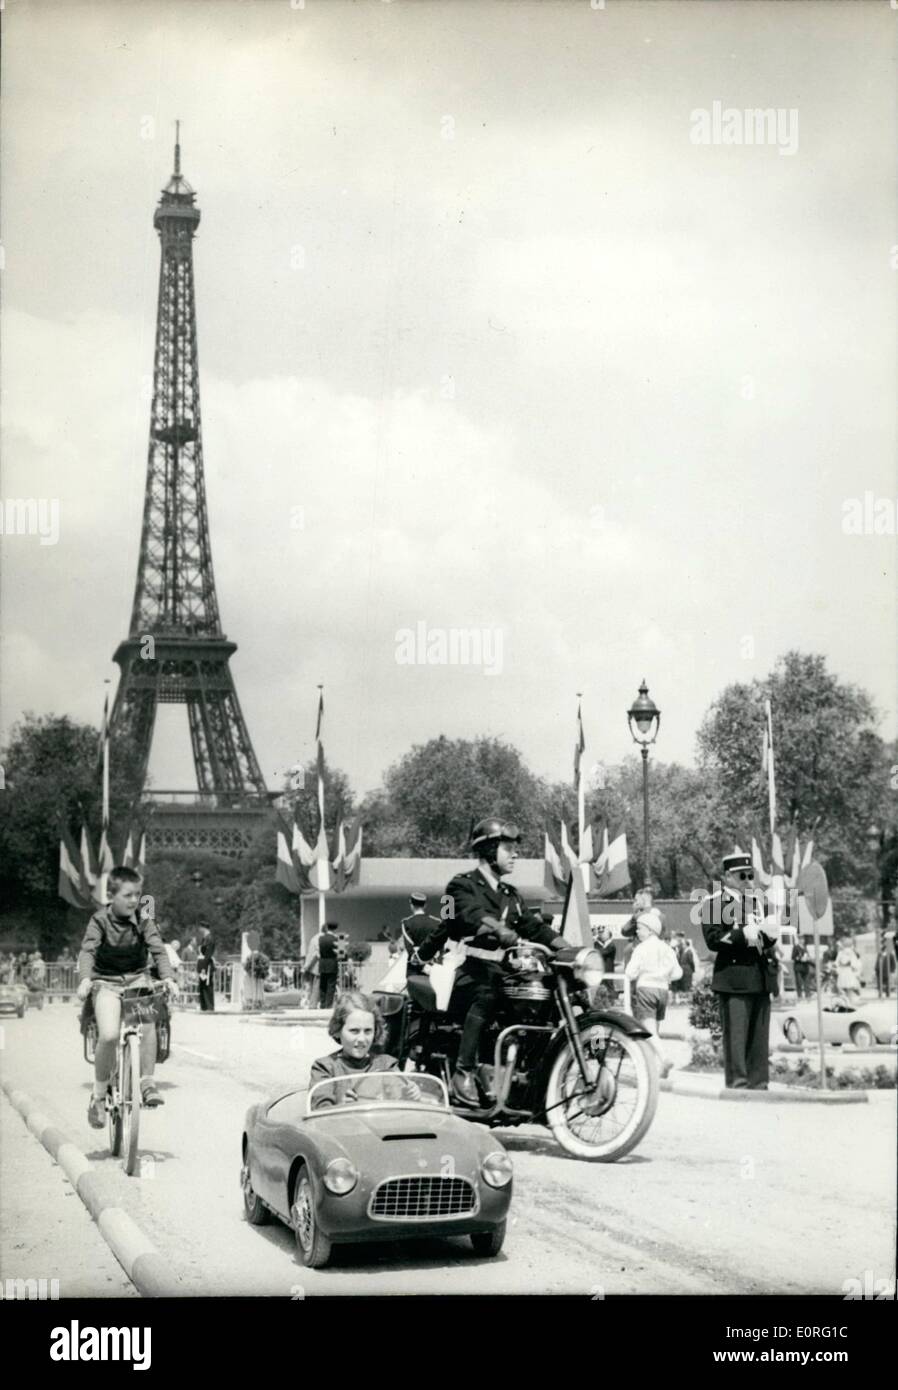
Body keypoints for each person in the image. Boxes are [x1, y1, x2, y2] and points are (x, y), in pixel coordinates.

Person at [427, 817, 566, 1107]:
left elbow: (534, 926)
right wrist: (496, 928)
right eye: (508, 848)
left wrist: (566, 947)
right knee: (488, 992)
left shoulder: (510, 895)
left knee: (539, 999)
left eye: (516, 849)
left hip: (500, 970)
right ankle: (463, 1071)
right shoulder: (460, 885)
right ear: (489, 850)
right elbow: (464, 914)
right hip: (467, 968)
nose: (515, 854)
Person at [76, 866, 179, 1128]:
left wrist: (167, 978)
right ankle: (98, 1096)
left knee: (148, 1024)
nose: (135, 900)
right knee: (109, 1035)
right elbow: (88, 951)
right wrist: (86, 979)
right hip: (106, 983)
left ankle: (147, 1082)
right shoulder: (99, 920)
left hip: (137, 980)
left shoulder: (145, 917)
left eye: (138, 895)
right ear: (112, 895)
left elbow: (157, 949)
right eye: (128, 895)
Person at [699, 850, 778, 1090]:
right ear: (726, 878)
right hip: (734, 977)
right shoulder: (713, 903)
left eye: (749, 875)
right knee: (737, 1035)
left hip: (760, 975)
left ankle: (759, 1082)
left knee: (759, 1036)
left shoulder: (758, 902)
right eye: (741, 876)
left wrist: (769, 934)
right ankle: (739, 1083)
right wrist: (741, 935)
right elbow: (713, 939)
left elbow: (764, 938)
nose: (747, 881)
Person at [308, 991, 399, 1106]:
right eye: (354, 1031)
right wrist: (340, 1104)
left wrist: (410, 1095)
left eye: (368, 1031)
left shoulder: (386, 1065)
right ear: (337, 1030)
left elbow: (399, 1104)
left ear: (376, 1031)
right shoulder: (325, 1067)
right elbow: (320, 1110)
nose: (361, 1038)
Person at [624, 911, 682, 1077]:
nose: (637, 932)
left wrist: (644, 973)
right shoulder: (667, 948)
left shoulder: (641, 949)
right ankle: (656, 1068)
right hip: (663, 991)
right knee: (654, 1031)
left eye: (640, 929)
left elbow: (630, 973)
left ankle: (664, 1059)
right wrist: (663, 975)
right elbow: (678, 973)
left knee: (648, 1031)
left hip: (645, 989)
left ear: (650, 930)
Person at [317, 922, 339, 1010]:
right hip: (332, 963)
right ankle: (328, 1005)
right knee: (331, 985)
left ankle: (322, 1003)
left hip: (322, 963)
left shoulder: (320, 938)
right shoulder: (337, 939)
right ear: (335, 929)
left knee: (323, 985)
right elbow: (342, 954)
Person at [835, 937, 863, 1002]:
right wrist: (854, 968)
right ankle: (850, 998)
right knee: (850, 985)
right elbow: (854, 963)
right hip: (848, 971)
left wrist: (837, 965)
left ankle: (846, 998)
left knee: (842, 985)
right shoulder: (851, 952)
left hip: (843, 971)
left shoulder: (841, 952)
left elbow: (837, 962)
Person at [197, 928, 216, 1012]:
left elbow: (208, 954)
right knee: (202, 987)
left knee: (207, 987)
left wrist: (204, 967)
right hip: (202, 963)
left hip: (206, 964)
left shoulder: (209, 939)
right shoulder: (205, 939)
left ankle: (209, 1006)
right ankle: (204, 1005)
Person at [302, 929, 320, 1008]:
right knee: (315, 987)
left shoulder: (314, 939)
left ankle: (312, 1004)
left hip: (313, 967)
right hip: (316, 967)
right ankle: (313, 1004)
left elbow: (311, 955)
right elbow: (314, 955)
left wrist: (306, 966)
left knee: (312, 987)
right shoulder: (316, 940)